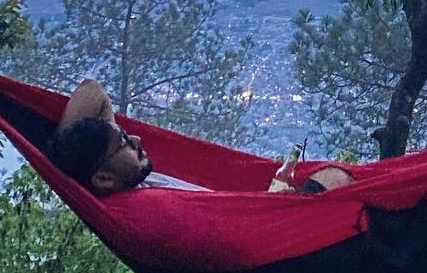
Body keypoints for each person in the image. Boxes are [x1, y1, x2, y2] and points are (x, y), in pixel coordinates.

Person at [48, 79, 355, 197]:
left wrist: (65, 159)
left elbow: (93, 91)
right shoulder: (146, 207)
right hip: (273, 224)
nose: (138, 139)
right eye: (126, 143)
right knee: (339, 179)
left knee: (341, 179)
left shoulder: (120, 179)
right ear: (102, 179)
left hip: (264, 211)